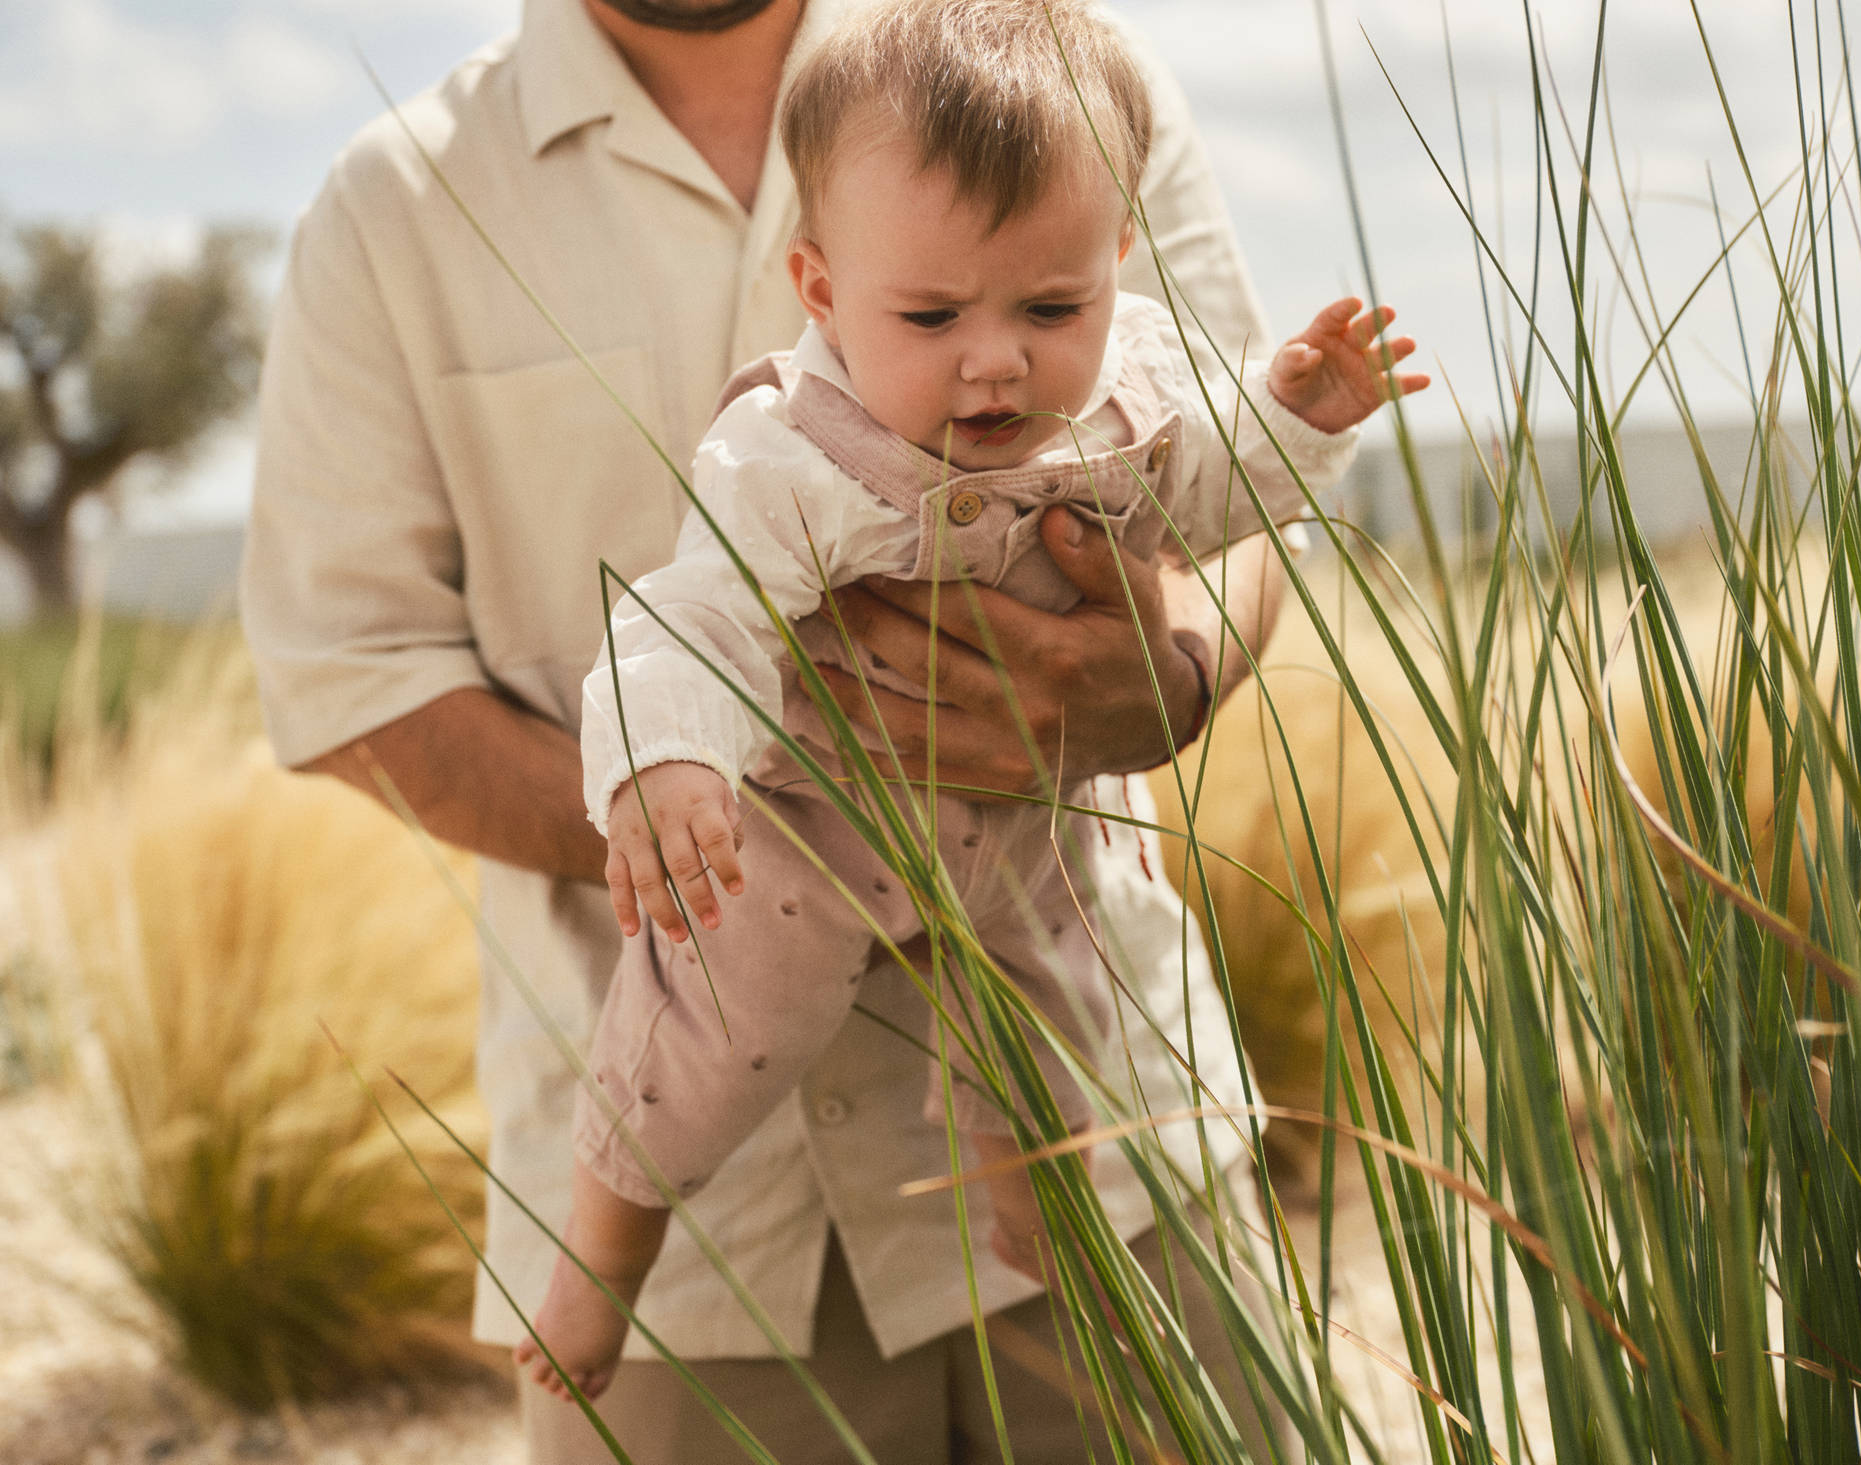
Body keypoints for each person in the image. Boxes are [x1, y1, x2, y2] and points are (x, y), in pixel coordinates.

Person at [238, 0, 1393, 1458]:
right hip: (716, 1256)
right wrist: (729, 848)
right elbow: (355, 679)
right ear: (819, 281)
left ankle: (1022, 1165)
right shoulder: (393, 208)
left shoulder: (1072, 77)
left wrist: (1173, 677)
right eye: (933, 317)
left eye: (1045, 314)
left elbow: (1221, 488)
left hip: (1122, 1129)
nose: (999, 361)